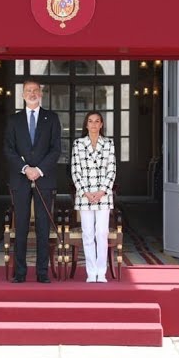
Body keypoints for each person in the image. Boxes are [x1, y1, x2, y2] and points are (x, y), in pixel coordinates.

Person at [4, 78, 61, 283]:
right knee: (20, 226)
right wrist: (25, 169)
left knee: (43, 227)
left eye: (35, 90)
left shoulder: (52, 118)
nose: (32, 93)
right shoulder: (14, 120)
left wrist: (39, 170)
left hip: (43, 180)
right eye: (28, 90)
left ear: (41, 93)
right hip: (20, 180)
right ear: (22, 94)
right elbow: (8, 149)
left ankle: (42, 273)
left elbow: (56, 149)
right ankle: (20, 273)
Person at [71, 110, 117, 282]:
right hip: (85, 196)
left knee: (101, 233)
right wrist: (85, 191)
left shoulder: (109, 143)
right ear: (86, 124)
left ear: (101, 124)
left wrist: (102, 191)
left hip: (103, 195)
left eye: (97, 121)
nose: (94, 124)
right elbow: (75, 170)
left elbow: (112, 169)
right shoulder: (78, 144)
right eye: (90, 121)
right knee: (88, 234)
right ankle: (91, 272)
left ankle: (101, 272)